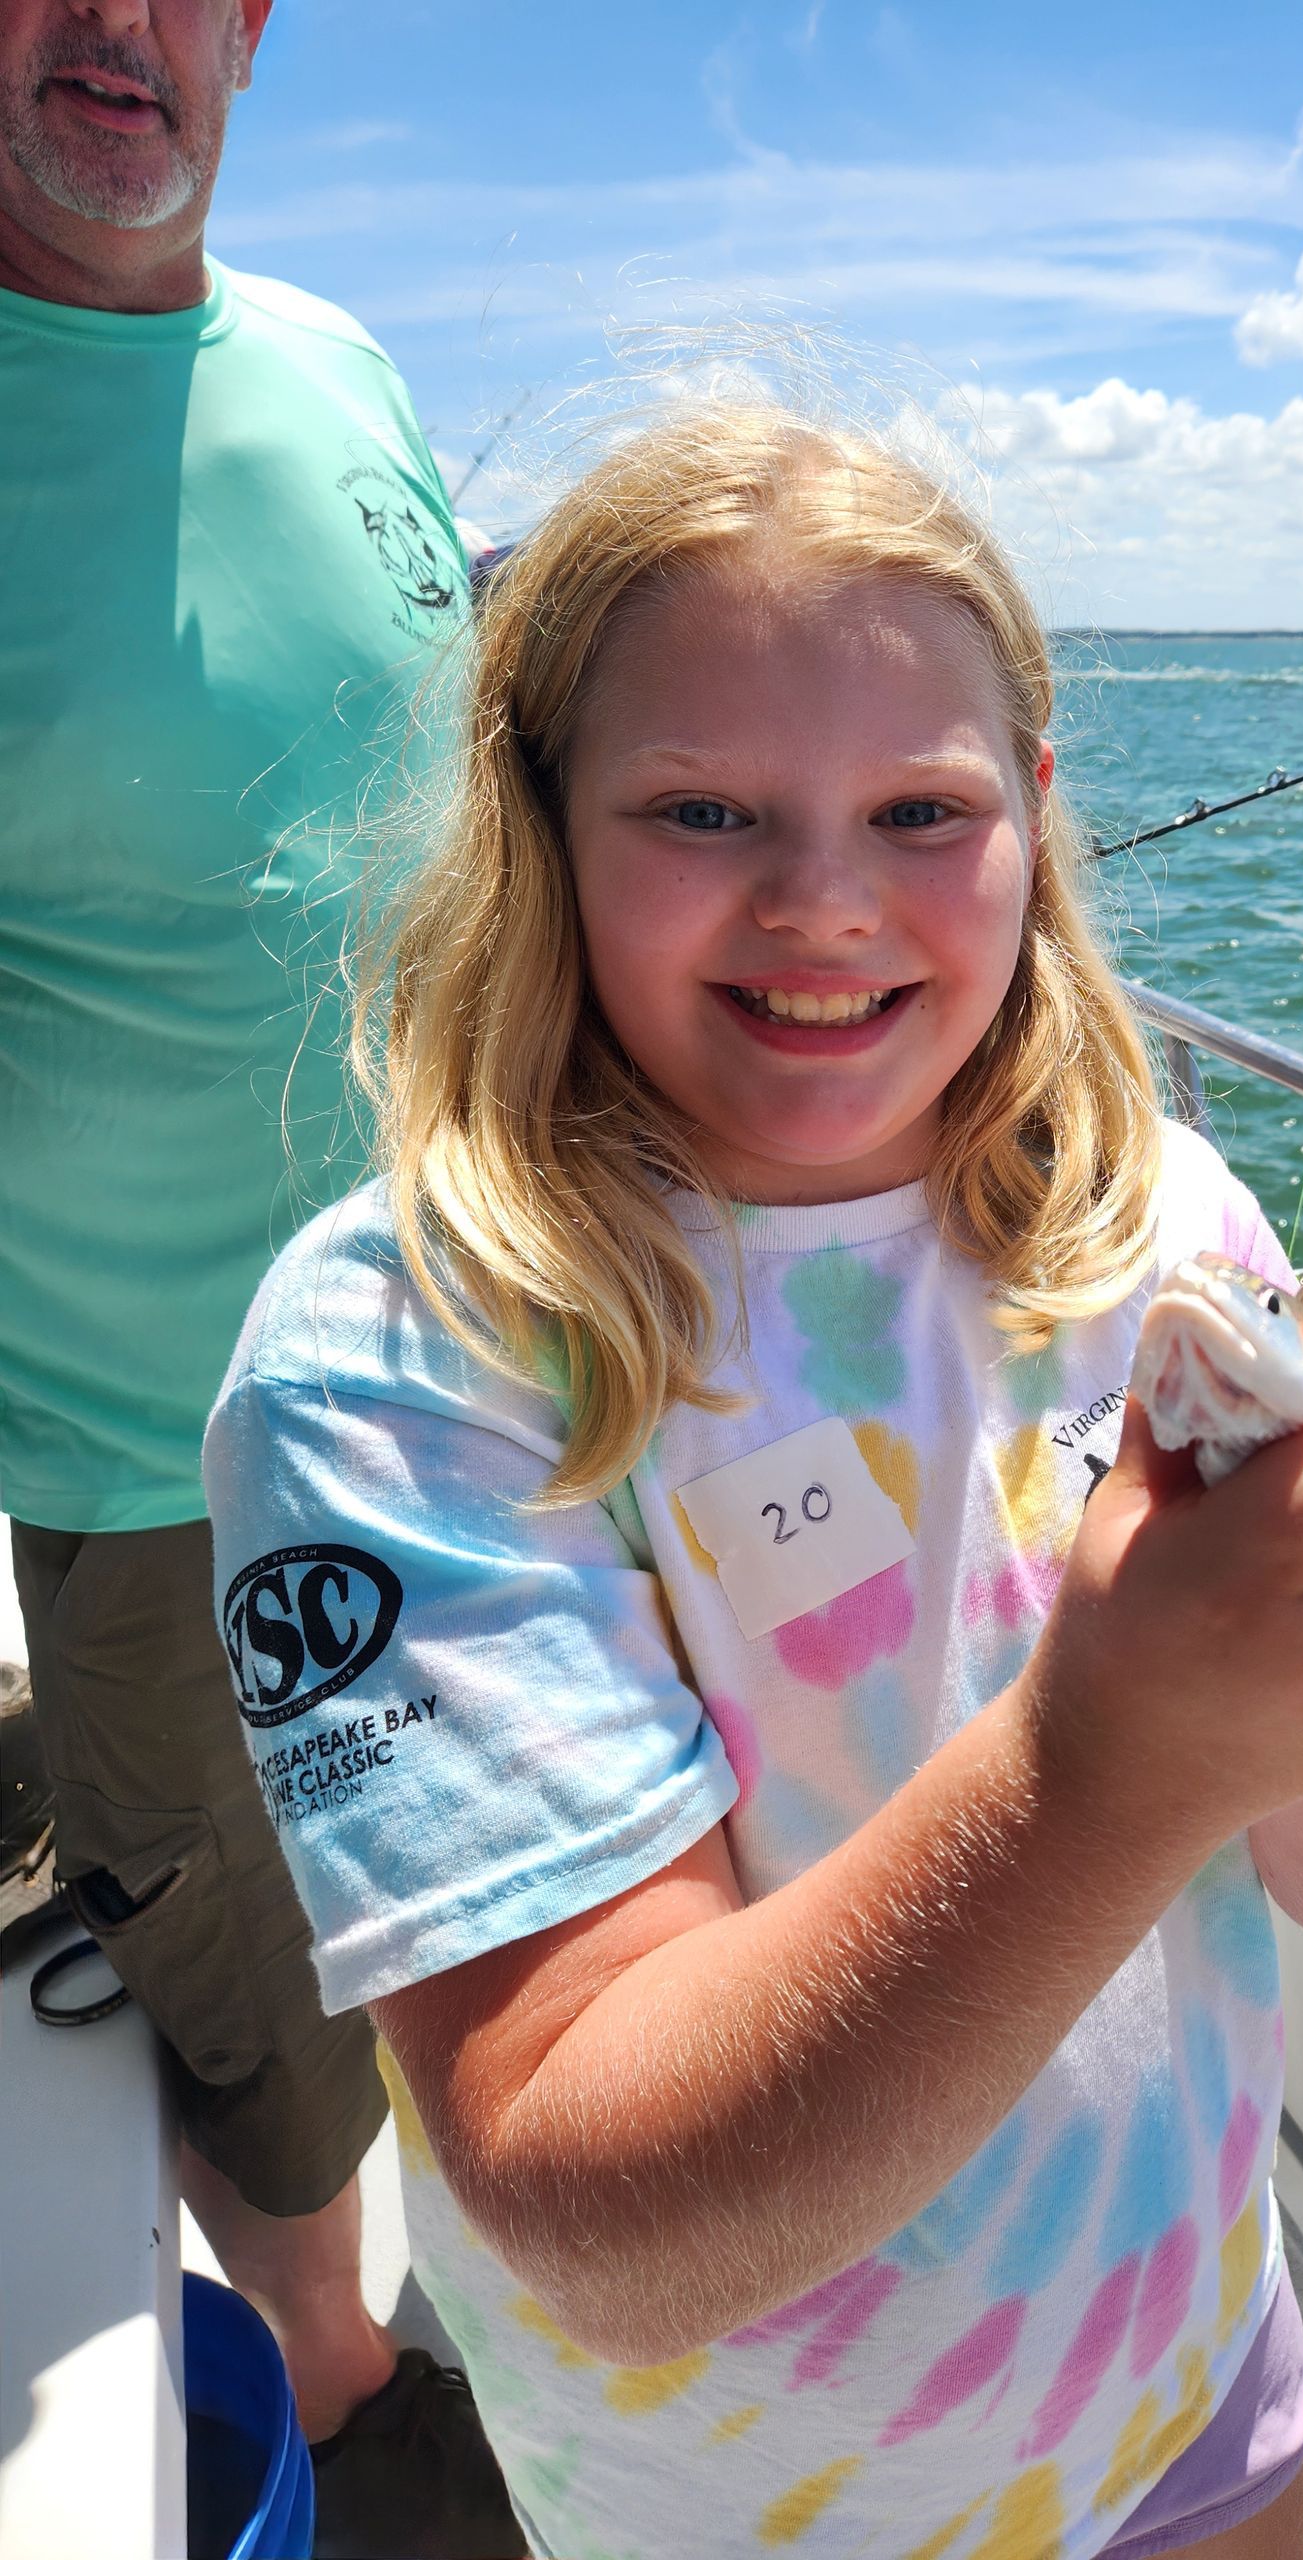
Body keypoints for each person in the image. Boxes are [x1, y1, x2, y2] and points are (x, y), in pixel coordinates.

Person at [202, 407, 1303, 2560]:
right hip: (753, 2510)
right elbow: (598, 2216)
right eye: (702, 809)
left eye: (922, 808)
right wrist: (1115, 1753)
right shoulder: (396, 1367)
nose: (823, 900)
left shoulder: (1157, 1221)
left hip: (1198, 2380)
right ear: (540, 825)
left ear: (1033, 818)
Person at [0, 2, 519, 2549]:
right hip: (152, 1465)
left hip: (495, 1374)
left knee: (533, 1933)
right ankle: (360, 2414)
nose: (116, 23)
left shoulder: (341, 359)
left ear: (253, 30)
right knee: (281, 2076)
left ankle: (542, 2349)